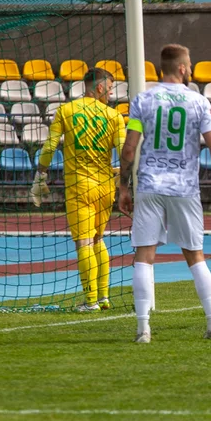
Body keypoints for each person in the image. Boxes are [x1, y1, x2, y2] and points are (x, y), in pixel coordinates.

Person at [118, 44, 211, 343]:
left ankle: (143, 328)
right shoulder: (199, 102)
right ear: (182, 68)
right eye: (190, 64)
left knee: (144, 255)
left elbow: (129, 148)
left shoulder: (143, 100)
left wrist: (123, 187)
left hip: (150, 185)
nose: (191, 68)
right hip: (184, 187)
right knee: (196, 256)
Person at [30, 67, 125, 312]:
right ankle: (103, 297)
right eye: (111, 88)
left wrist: (40, 174)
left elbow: (50, 146)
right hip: (106, 187)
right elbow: (126, 152)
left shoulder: (67, 110)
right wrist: (124, 177)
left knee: (83, 243)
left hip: (79, 186)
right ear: (100, 87)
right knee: (98, 239)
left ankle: (90, 301)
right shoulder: (114, 116)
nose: (111, 94)